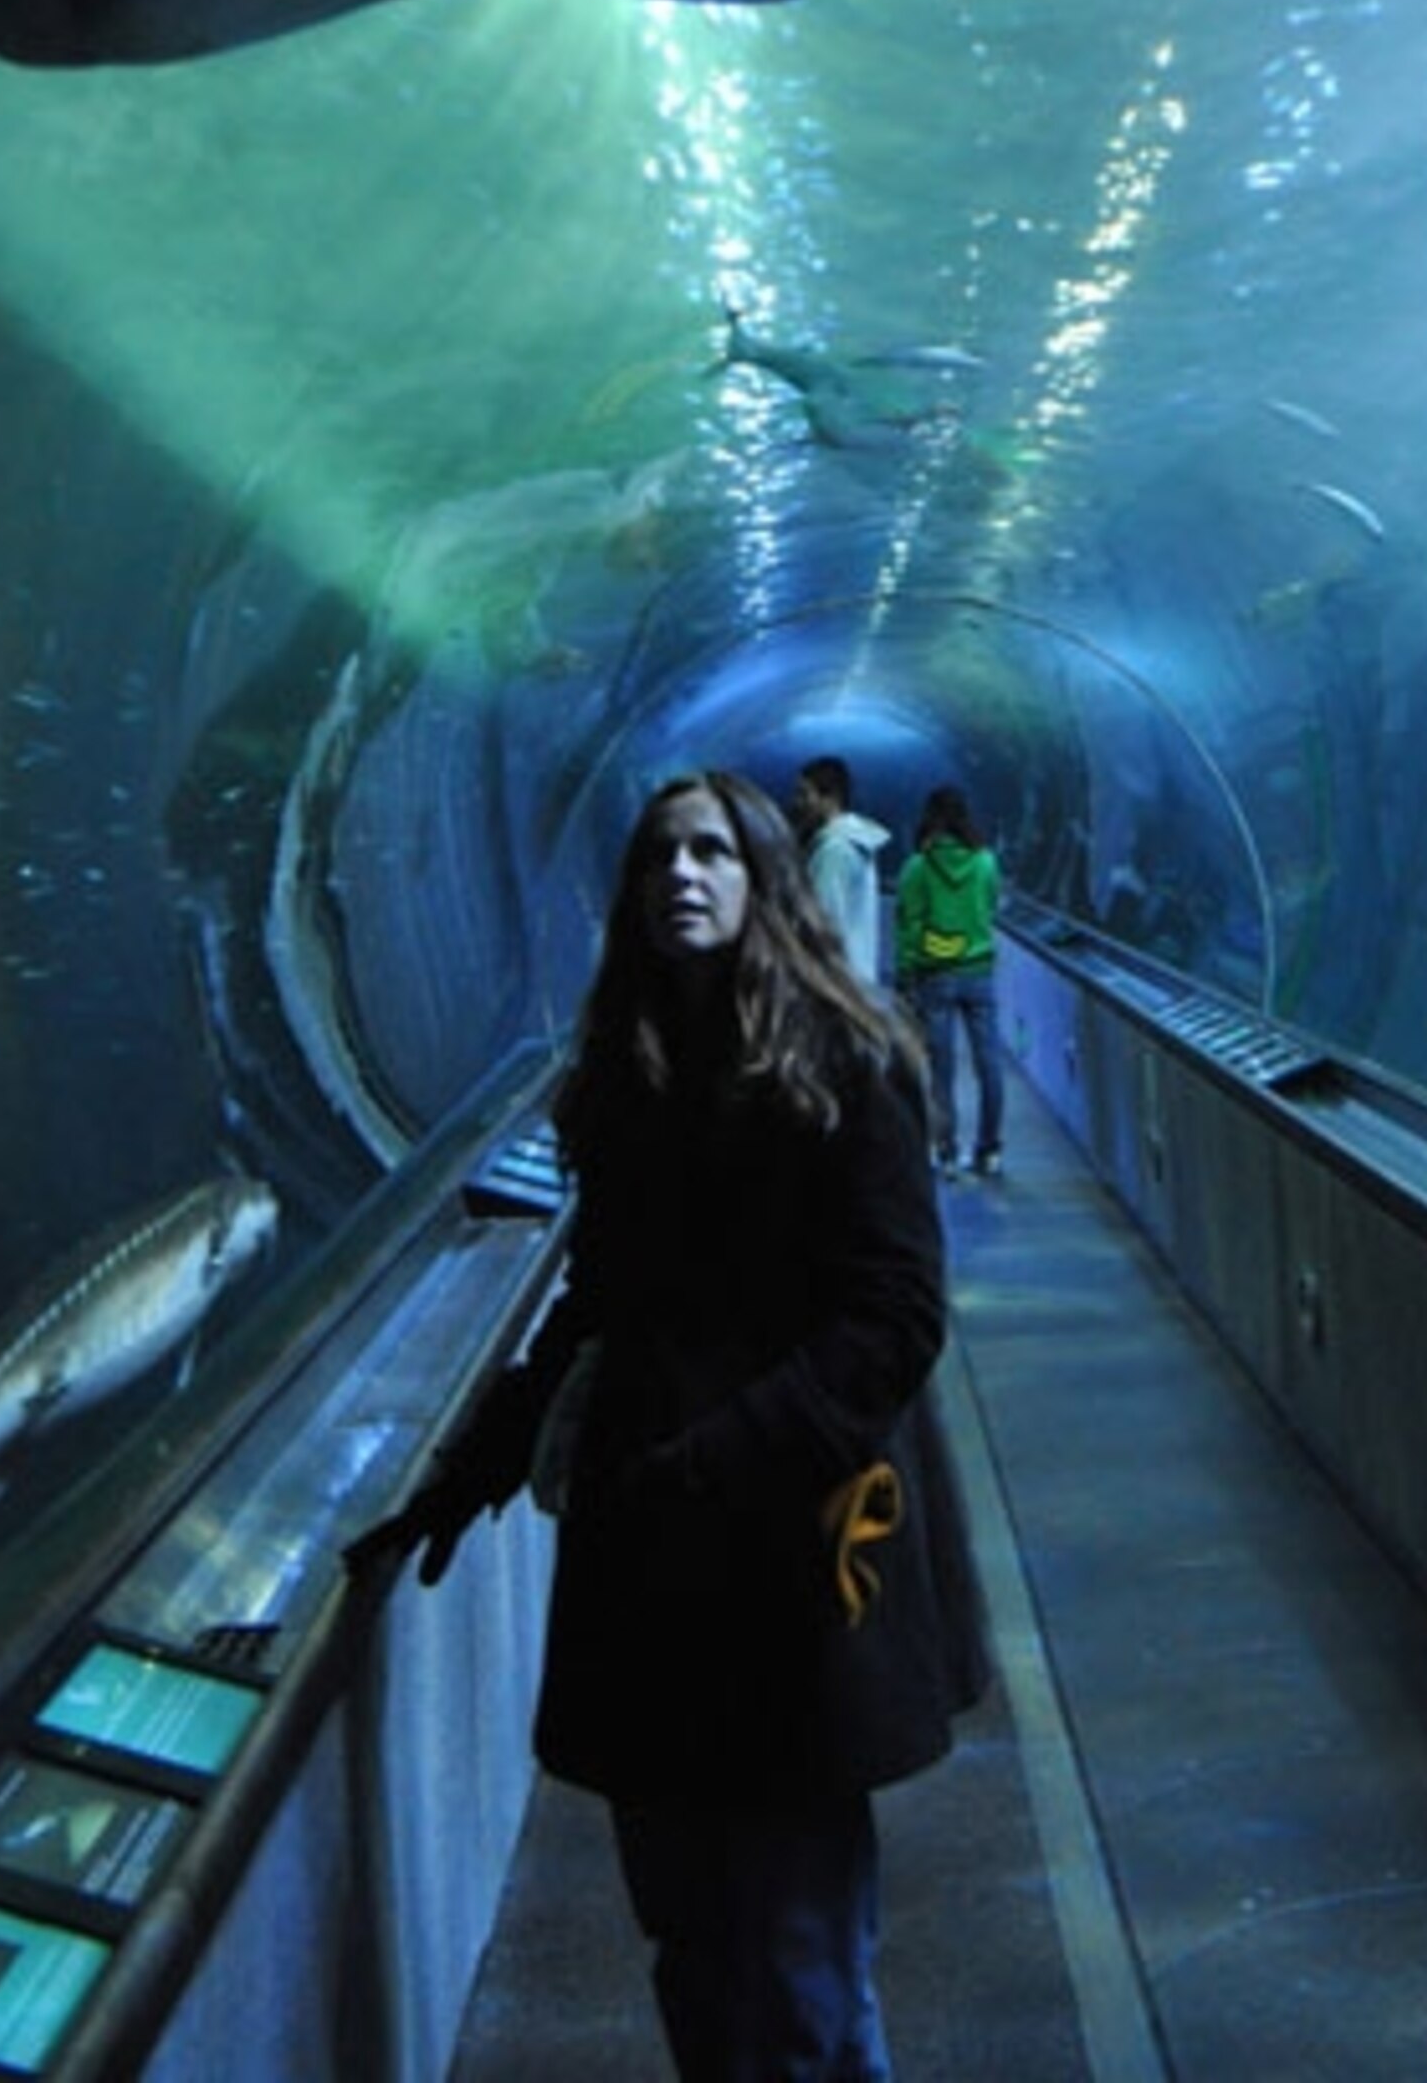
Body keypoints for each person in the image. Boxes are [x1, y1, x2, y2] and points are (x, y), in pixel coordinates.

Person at [348, 769, 989, 2083]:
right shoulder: (627, 1079)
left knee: (805, 1956)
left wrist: (709, 1466)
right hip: (648, 1564)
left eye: (709, 853)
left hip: (791, 1556)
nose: (680, 878)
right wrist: (464, 1473)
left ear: (764, 879)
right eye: (656, 858)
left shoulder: (851, 1068)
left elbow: (892, 1318)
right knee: (688, 1936)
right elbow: (597, 1308)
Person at [895, 786, 1009, 1182]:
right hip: (978, 972)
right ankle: (990, 1149)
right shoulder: (985, 863)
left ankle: (946, 1150)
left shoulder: (917, 868)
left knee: (940, 1069)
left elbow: (909, 926)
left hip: (934, 976)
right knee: (989, 1064)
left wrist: (905, 975)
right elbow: (992, 905)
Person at [792, 755, 892, 989]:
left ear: (831, 798)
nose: (797, 802)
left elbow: (822, 922)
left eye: (804, 794)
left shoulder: (834, 850)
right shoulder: (856, 842)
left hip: (834, 982)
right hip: (857, 975)